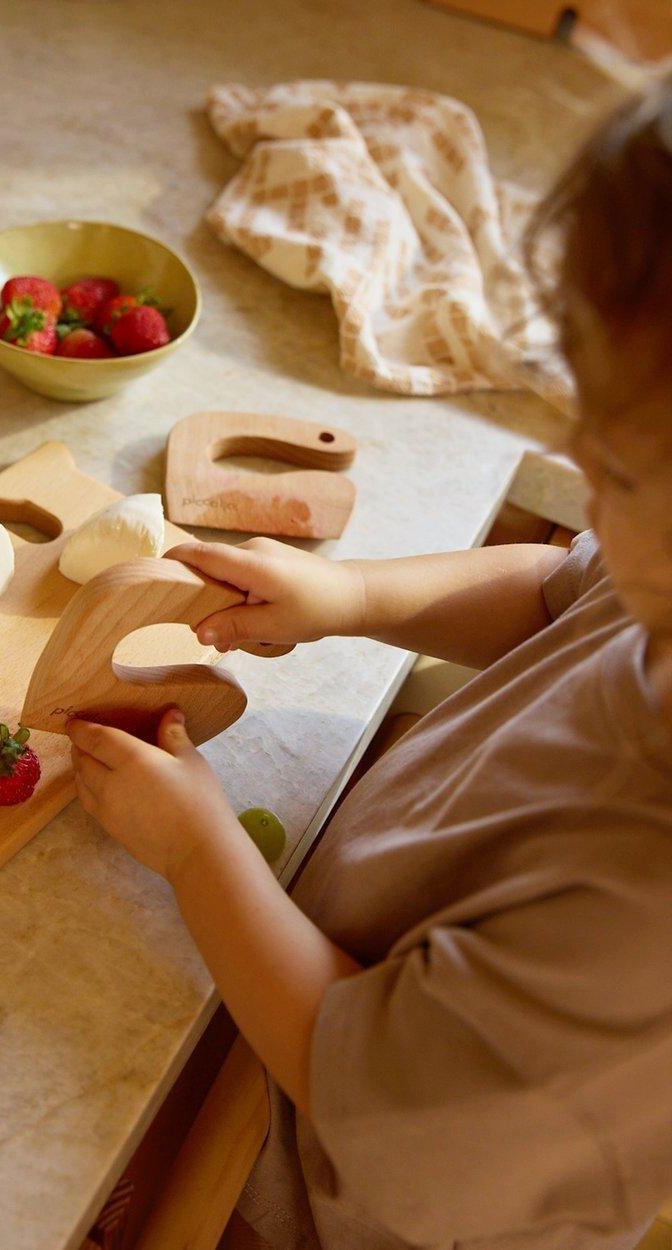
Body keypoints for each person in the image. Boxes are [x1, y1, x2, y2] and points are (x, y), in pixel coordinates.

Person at [66, 79, 672, 1250]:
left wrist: (197, 851)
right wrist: (351, 596)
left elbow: (361, 1091)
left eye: (628, 470)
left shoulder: (641, 923)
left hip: (319, 1178)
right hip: (323, 981)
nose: (578, 464)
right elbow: (555, 594)